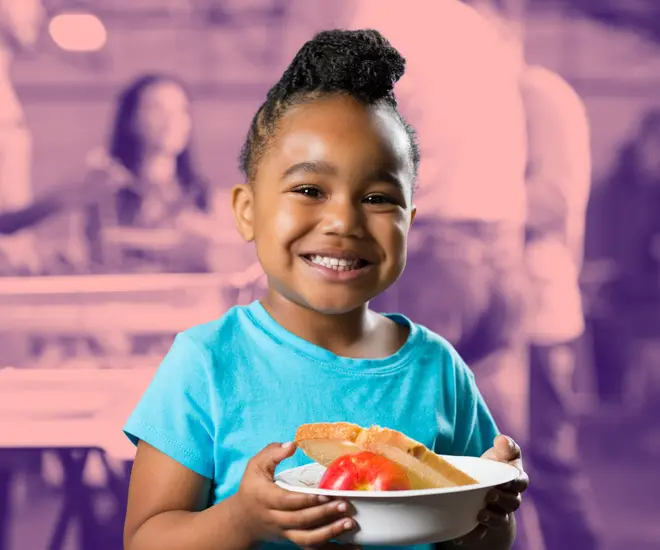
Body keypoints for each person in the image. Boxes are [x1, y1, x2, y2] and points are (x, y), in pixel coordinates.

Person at [121, 29, 529, 550]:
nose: (343, 220)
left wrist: (490, 513)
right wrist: (239, 521)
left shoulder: (440, 370)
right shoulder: (205, 362)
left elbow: (471, 538)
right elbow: (144, 539)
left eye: (379, 197)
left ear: (410, 222)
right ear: (247, 211)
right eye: (310, 190)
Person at [349, 0, 529, 444]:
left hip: (436, 257)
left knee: (406, 440)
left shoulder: (382, 18)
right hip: (502, 253)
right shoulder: (478, 27)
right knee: (495, 453)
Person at [521, 64, 602, 550]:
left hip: (538, 313)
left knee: (546, 463)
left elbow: (552, 202)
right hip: (529, 309)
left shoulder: (538, 94)